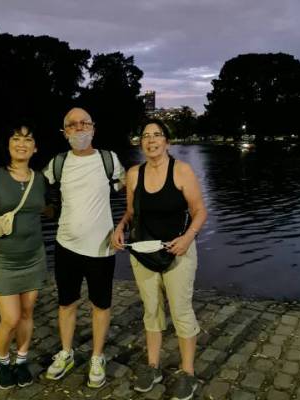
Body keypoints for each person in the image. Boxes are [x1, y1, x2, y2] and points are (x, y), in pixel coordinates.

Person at [111, 119, 207, 400]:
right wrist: (119, 227)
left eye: (157, 135)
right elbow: (132, 213)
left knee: (180, 310)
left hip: (178, 250)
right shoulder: (133, 174)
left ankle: (187, 372)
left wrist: (188, 237)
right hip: (142, 251)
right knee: (151, 309)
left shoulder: (182, 171)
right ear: (141, 143)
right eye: (145, 136)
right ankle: (152, 366)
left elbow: (200, 211)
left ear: (167, 141)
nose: (151, 140)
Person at [43, 107, 125, 388]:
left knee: (100, 305)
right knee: (66, 303)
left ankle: (97, 356)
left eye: (84, 123)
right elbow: (30, 187)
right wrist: (0, 176)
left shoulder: (108, 160)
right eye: (72, 125)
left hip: (101, 247)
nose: (79, 128)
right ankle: (66, 352)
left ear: (93, 128)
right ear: (64, 131)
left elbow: (133, 187)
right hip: (66, 245)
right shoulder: (57, 163)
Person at [0, 125, 47, 390]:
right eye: (16, 139)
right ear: (8, 146)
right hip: (5, 260)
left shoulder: (41, 179)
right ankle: (3, 361)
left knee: (27, 313)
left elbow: (48, 209)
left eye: (28, 139)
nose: (22, 144)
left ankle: (22, 360)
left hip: (34, 257)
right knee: (11, 319)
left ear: (35, 147)